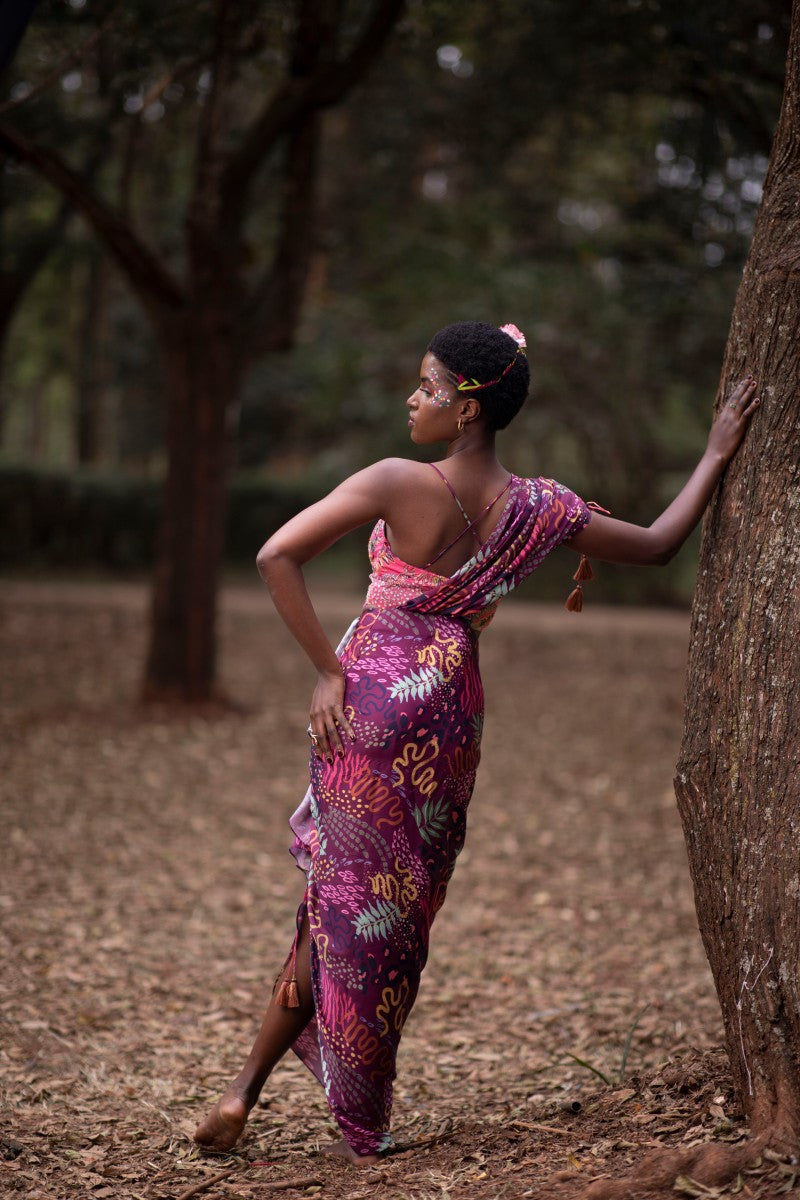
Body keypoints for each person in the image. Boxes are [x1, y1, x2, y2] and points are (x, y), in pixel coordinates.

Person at [194, 321, 759, 1164]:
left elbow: (278, 554)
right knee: (392, 909)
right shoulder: (539, 506)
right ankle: (324, 1101)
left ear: (466, 410)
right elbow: (656, 544)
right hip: (448, 710)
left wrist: (325, 671)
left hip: (370, 701)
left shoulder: (396, 480)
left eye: (426, 386)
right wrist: (715, 455)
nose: (412, 399)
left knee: (334, 900)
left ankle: (244, 1092)